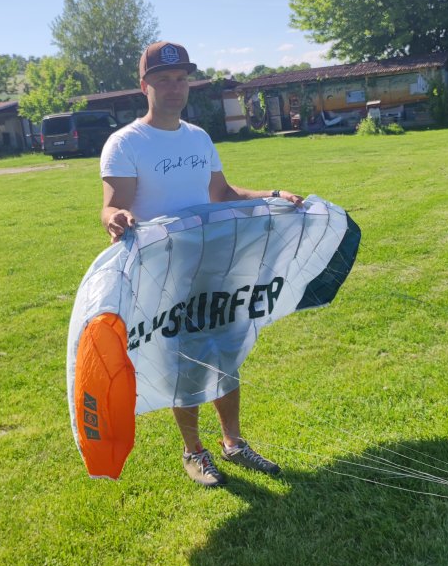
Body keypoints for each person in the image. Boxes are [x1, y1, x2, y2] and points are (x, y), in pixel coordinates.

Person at [100, 41, 304, 487]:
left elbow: (223, 195)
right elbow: (111, 207)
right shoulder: (126, 143)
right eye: (163, 80)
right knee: (184, 362)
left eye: (181, 79)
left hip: (214, 266)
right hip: (166, 275)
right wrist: (114, 218)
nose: (174, 89)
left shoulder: (198, 137)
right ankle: (194, 451)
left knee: (226, 354)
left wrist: (271, 195)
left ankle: (233, 443)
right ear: (144, 86)